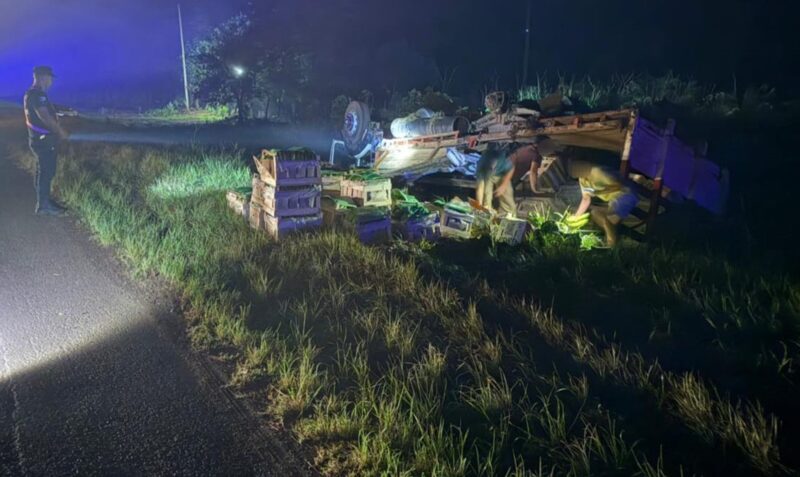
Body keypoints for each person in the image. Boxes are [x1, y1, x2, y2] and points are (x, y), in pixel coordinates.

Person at [24, 65, 73, 216]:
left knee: (43, 170)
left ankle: (44, 200)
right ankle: (43, 205)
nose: (51, 81)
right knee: (47, 171)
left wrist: (64, 110)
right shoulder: (38, 95)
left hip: (38, 139)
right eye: (50, 78)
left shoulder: (31, 94)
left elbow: (46, 108)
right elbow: (44, 116)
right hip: (44, 141)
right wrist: (60, 131)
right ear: (43, 77)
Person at [567, 159, 638, 247]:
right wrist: (576, 216)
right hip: (613, 201)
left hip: (625, 195)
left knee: (608, 221)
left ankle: (611, 245)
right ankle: (610, 240)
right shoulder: (582, 179)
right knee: (595, 214)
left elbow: (618, 186)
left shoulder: (598, 172)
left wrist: (599, 192)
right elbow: (586, 199)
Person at [475, 143, 516, 216]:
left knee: (508, 201)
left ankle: (509, 215)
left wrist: (503, 186)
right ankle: (487, 212)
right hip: (488, 175)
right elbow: (480, 187)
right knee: (486, 198)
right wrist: (479, 206)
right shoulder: (481, 164)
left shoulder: (502, 159)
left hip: (502, 174)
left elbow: (511, 169)